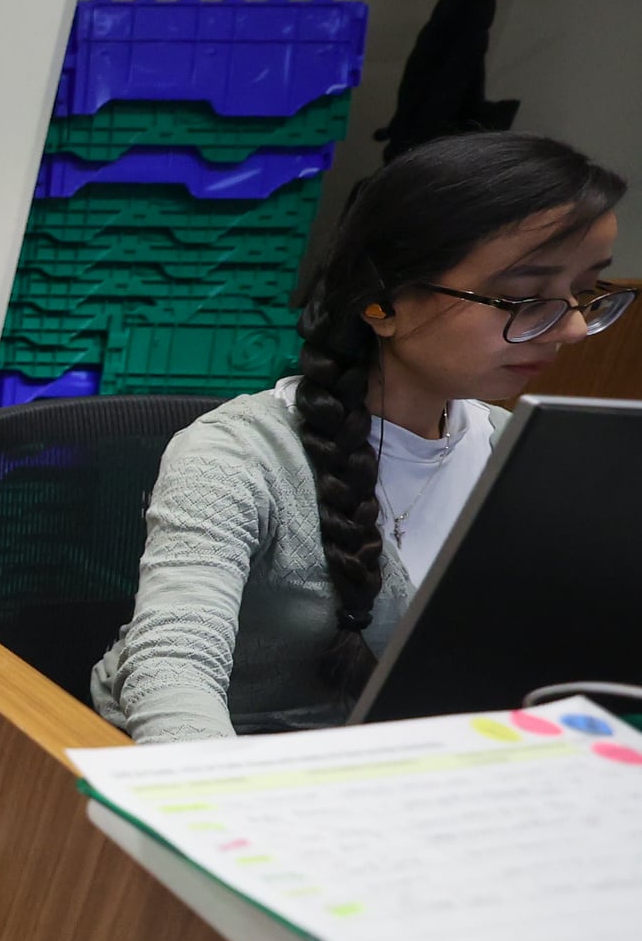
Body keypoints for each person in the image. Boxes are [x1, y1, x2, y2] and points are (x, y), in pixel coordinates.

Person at [93, 132, 628, 743]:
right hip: (219, 766)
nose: (575, 329)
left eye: (585, 293)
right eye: (524, 297)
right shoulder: (236, 456)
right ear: (381, 303)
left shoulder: (520, 454)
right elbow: (173, 671)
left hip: (392, 773)